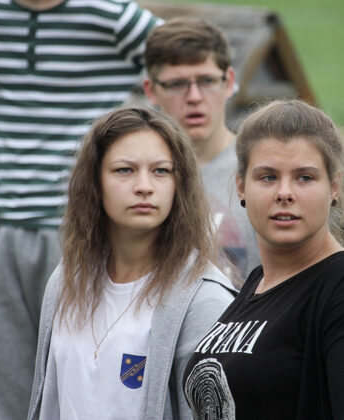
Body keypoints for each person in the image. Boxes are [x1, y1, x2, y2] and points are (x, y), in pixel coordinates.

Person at [0, 1, 160, 418]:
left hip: (81, 229)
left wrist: (137, 140)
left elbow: (182, 65)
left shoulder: (111, 13)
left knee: (84, 386)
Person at [26, 106, 236, 420]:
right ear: (95, 181)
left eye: (161, 171)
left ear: (179, 183)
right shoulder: (67, 280)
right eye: (125, 170)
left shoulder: (205, 301)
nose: (144, 186)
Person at [183, 99, 344, 419]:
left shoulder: (336, 285)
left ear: (334, 187)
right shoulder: (256, 282)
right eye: (268, 177)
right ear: (241, 186)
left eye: (305, 177)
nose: (284, 193)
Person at [143, 17, 260, 282]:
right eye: (177, 84)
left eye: (207, 81)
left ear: (229, 82)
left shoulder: (262, 169)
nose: (194, 97)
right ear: (151, 90)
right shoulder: (138, 178)